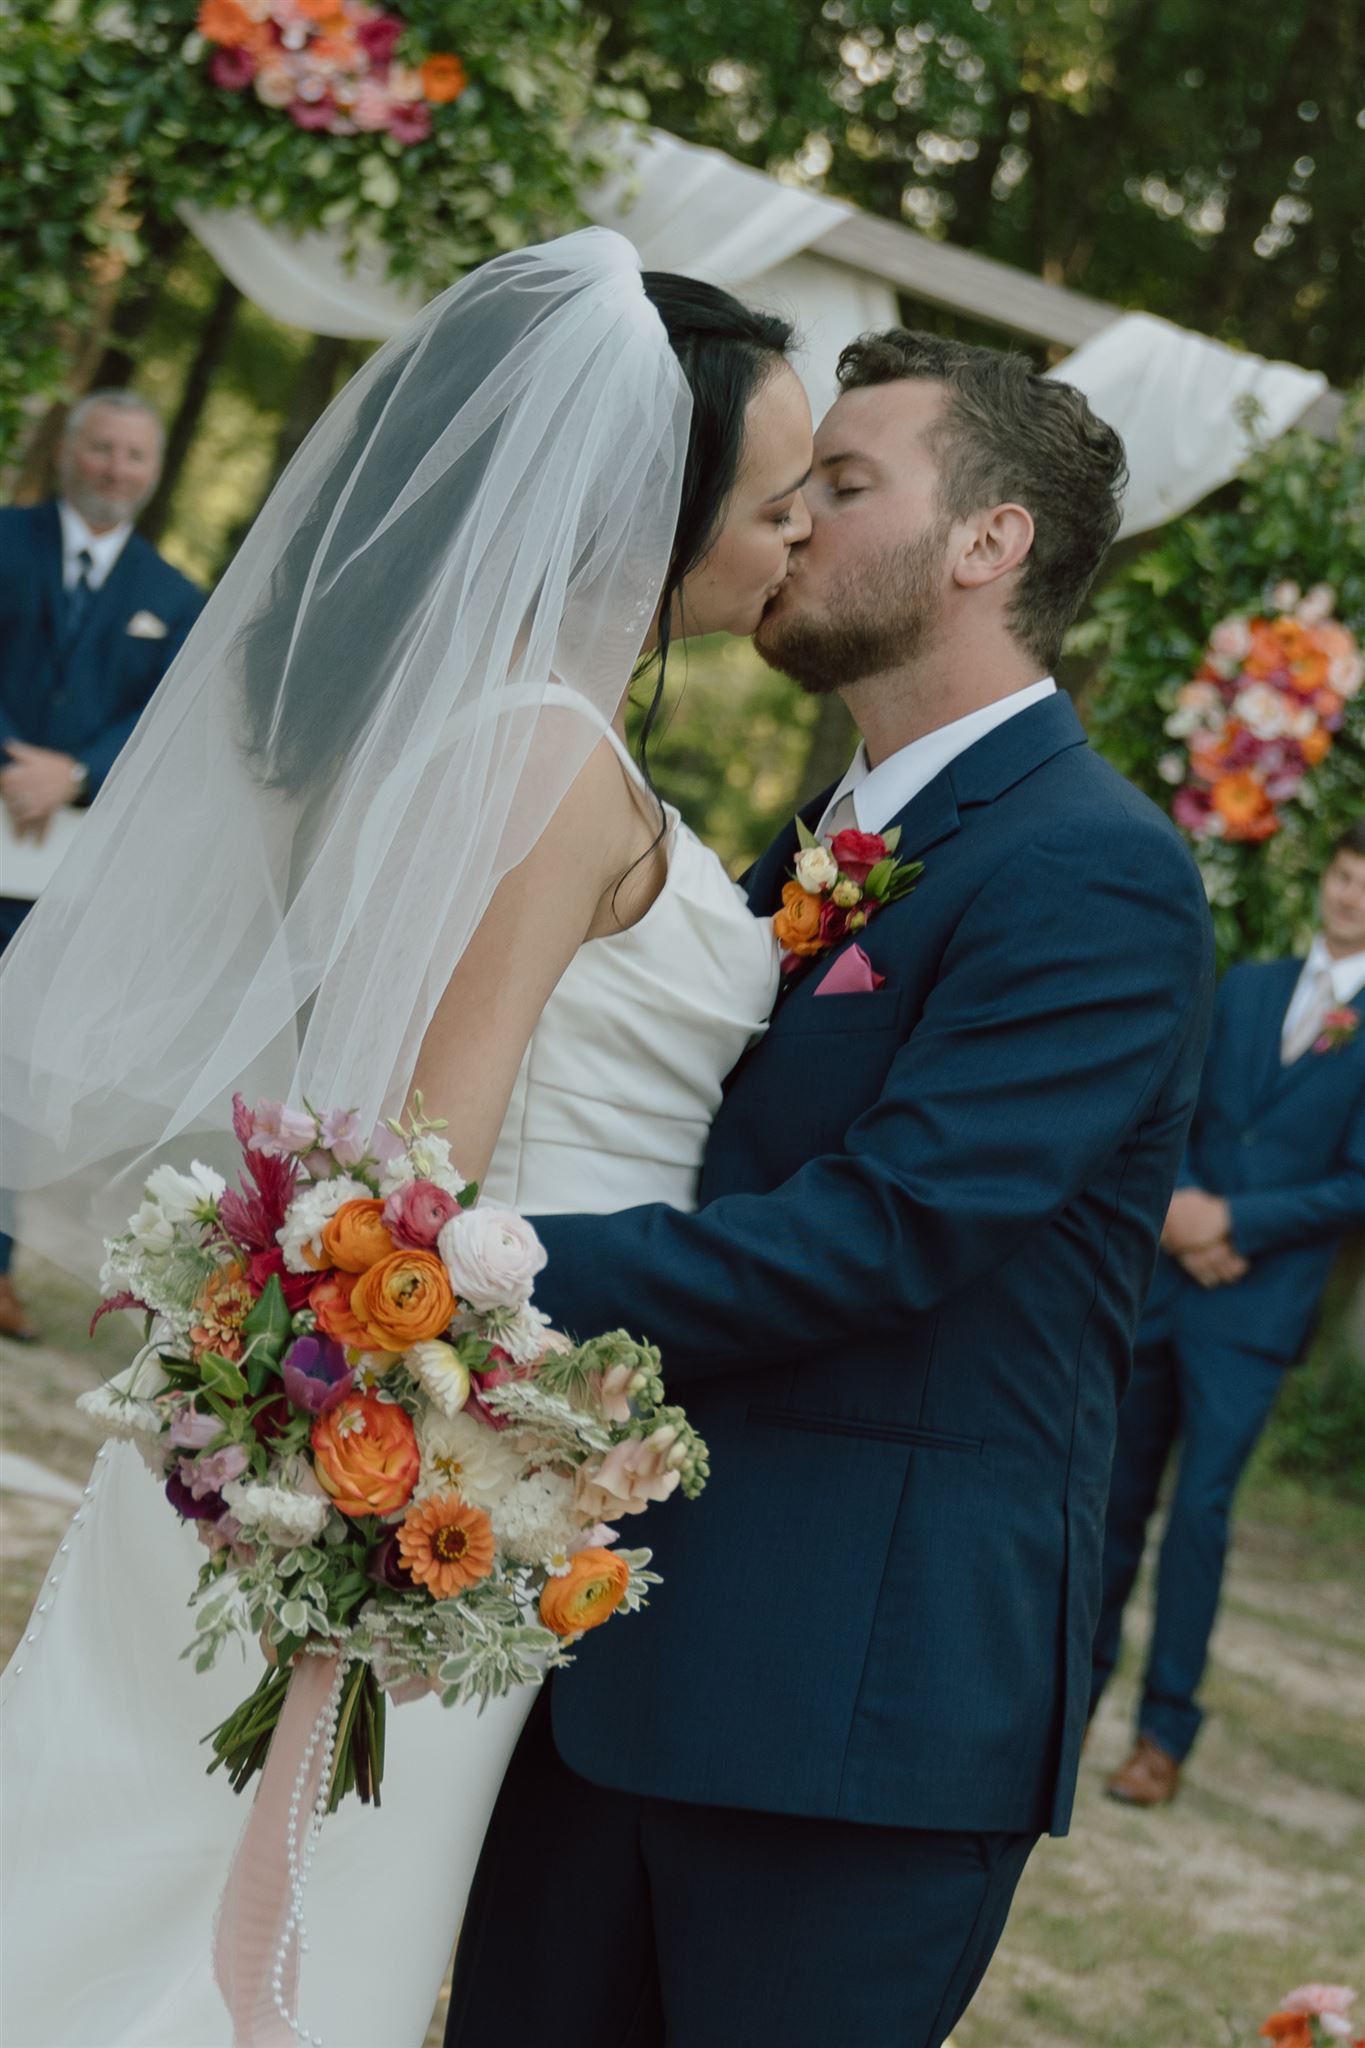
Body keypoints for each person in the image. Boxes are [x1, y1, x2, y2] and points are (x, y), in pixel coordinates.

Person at [0, 230, 813, 2046]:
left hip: (401, 1407)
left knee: (174, 1870)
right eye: (772, 503)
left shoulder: (490, 722)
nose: (796, 537)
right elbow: (420, 1143)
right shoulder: (547, 756)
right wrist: (411, 1461)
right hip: (432, 1444)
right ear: (646, 512)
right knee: (283, 1907)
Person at [447, 332, 1215, 2048]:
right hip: (614, 1653)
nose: (788, 523)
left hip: (852, 1713)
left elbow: (889, 1230)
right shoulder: (816, 842)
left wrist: (469, 1269)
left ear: (988, 542)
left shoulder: (1098, 870)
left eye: (844, 484)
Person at [1091, 822, 1365, 1807]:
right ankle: (1070, 1698)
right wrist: (1182, 1212)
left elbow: (1355, 1182)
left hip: (1256, 1311)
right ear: (1324, 879)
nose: (1349, 897)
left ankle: (1163, 1733)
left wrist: (1233, 1219)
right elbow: (1181, 1102)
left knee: (1200, 1513)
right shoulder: (1246, 985)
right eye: (1342, 875)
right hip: (1164, 1286)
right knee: (1113, 1499)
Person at [0, 390, 203, 1341]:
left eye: (133, 455)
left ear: (152, 472)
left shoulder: (174, 598)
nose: (114, 468)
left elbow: (170, 730)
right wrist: (15, 764)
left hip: (67, 880)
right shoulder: (5, 539)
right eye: (101, 448)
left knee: (18, 1067)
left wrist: (74, 771)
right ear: (70, 451)